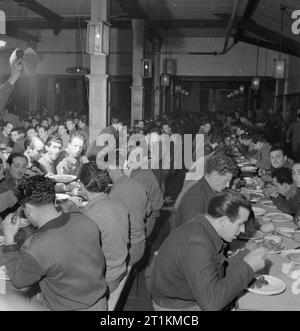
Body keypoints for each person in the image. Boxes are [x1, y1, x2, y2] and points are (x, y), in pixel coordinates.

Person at [2, 175, 108, 311]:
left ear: (27, 209)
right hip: (99, 300)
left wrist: (9, 238)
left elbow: (19, 281)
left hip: (69, 307)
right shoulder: (84, 219)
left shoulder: (36, 246)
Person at [149, 190, 266, 311]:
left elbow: (217, 269)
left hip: (192, 295)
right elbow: (211, 304)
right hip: (179, 306)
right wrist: (248, 267)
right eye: (240, 224)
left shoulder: (203, 228)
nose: (243, 230)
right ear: (223, 221)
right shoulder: (196, 244)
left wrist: (244, 255)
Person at [79, 162, 129, 293]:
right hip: (119, 269)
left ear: (82, 186)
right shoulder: (119, 205)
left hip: (105, 280)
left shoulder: (88, 216)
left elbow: (82, 257)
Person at [173, 151, 239, 229]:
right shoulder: (196, 198)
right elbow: (190, 233)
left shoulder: (210, 189)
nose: (227, 185)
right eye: (225, 180)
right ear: (214, 173)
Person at [107, 151, 148, 266]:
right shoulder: (138, 184)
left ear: (109, 169)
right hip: (141, 243)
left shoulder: (113, 193)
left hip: (128, 250)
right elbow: (148, 210)